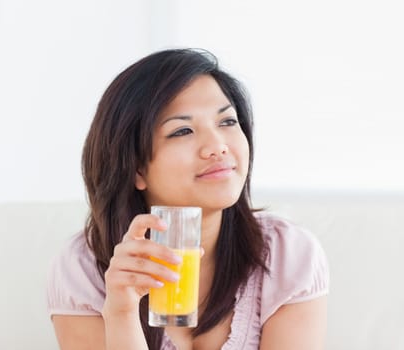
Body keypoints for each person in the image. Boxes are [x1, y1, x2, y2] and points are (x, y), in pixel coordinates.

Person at [47, 48, 329, 349]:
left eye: (227, 122)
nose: (218, 146)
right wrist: (122, 313)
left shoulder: (288, 254)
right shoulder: (83, 268)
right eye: (183, 130)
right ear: (135, 168)